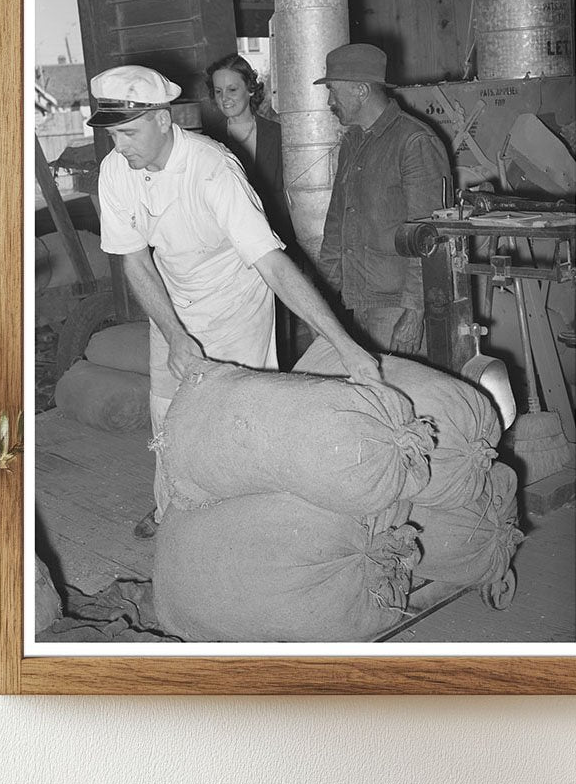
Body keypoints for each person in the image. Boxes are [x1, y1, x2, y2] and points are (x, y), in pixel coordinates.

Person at [87, 65, 380, 537]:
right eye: (112, 135)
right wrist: (175, 335)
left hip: (235, 304)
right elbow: (135, 263)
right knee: (166, 408)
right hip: (173, 300)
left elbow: (274, 265)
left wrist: (344, 345)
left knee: (236, 415)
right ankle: (170, 508)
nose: (120, 147)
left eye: (128, 133)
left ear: (163, 121)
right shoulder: (116, 170)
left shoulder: (213, 170)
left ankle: (242, 517)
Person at [316, 43, 451, 355]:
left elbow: (428, 238)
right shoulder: (352, 143)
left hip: (395, 309)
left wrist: (415, 312)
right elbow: (335, 228)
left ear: (362, 90)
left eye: (334, 91)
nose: (329, 102)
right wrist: (323, 301)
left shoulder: (414, 141)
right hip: (356, 305)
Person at [205, 54, 300, 367]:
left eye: (232, 89)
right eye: (218, 92)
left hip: (274, 245)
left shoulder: (278, 135)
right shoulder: (207, 142)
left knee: (279, 333)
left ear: (250, 90)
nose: (225, 98)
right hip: (228, 254)